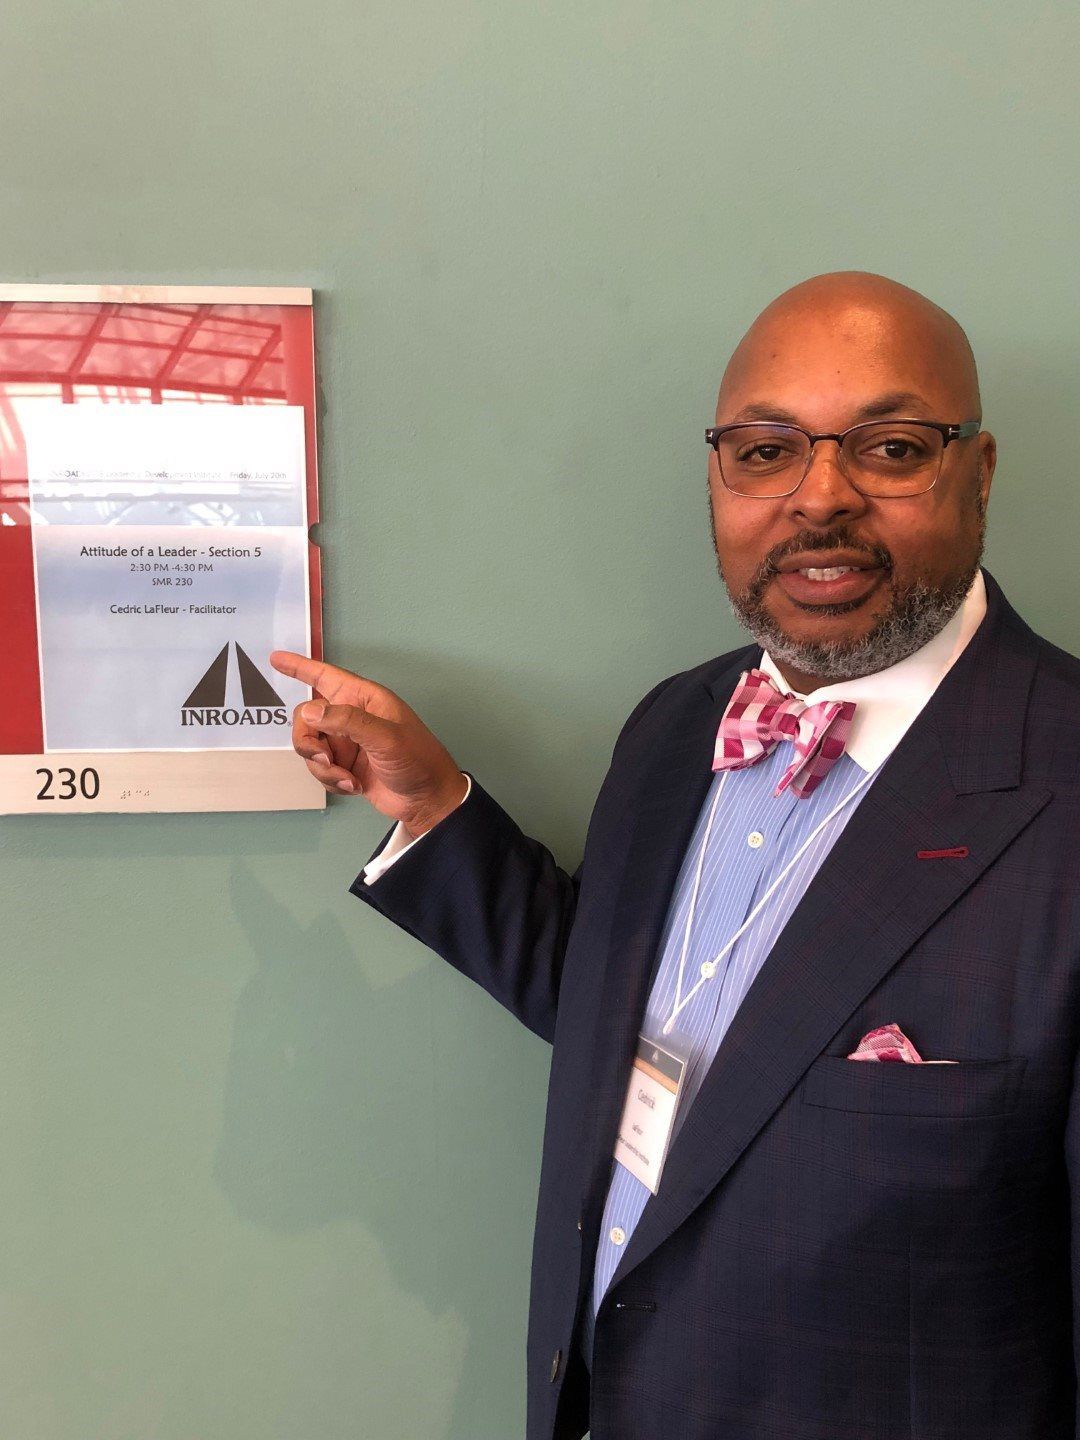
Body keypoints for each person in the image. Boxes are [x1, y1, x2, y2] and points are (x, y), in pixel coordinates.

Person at [271, 272, 1080, 1440]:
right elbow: (647, 1017)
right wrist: (435, 802)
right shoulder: (674, 726)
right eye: (764, 452)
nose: (819, 499)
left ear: (979, 473)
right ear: (716, 476)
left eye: (891, 449)